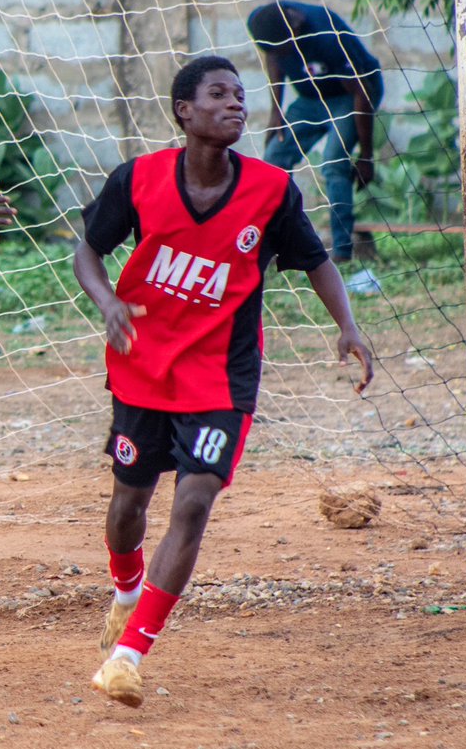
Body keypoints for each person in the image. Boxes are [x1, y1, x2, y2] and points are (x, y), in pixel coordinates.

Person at [74, 55, 373, 708]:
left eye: (242, 95)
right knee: (129, 508)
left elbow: (318, 261)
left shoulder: (269, 190)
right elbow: (87, 250)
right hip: (142, 367)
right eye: (219, 93)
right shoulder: (139, 179)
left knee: (194, 501)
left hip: (220, 380)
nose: (236, 103)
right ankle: (126, 590)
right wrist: (107, 301)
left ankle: (128, 656)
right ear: (184, 110)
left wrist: (347, 325)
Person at [247, 0, 384, 263]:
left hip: (350, 96)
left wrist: (366, 156)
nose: (283, 53)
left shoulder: (326, 35)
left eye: (286, 47)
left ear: (295, 30)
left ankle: (342, 252)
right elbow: (273, 57)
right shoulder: (268, 23)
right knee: (274, 157)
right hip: (310, 99)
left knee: (334, 161)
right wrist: (276, 112)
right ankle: (271, 246)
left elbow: (361, 93)